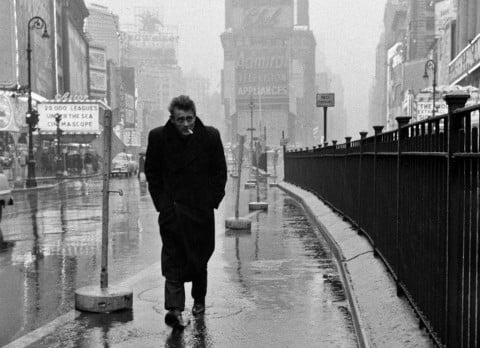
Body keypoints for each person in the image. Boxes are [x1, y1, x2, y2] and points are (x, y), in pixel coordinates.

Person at [145, 95, 227, 329]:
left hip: (200, 212)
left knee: (199, 258)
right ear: (172, 118)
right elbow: (151, 172)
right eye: (180, 119)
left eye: (189, 119)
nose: (185, 124)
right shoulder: (159, 137)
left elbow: (219, 171)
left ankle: (198, 300)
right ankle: (175, 309)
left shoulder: (210, 137)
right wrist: (162, 203)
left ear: (195, 116)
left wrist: (211, 200)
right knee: (173, 259)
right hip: (173, 211)